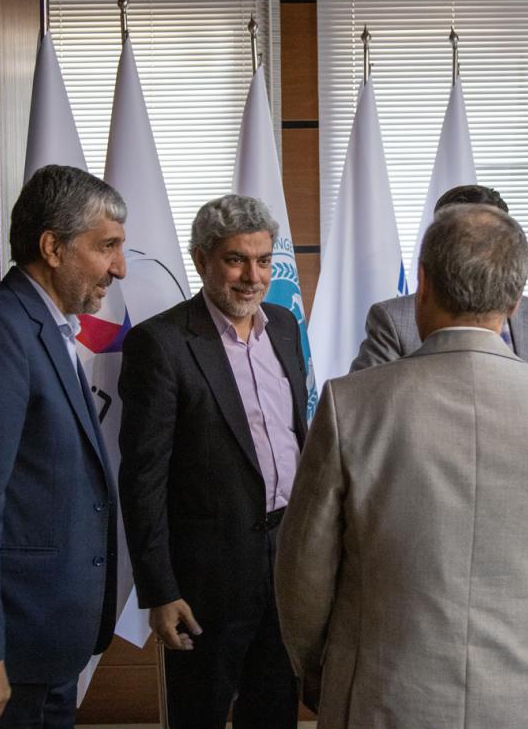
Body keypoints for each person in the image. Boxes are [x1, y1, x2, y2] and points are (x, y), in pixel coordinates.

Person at [276, 204, 528, 728]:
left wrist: (325, 664)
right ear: (514, 300)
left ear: (423, 285)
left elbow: (304, 575)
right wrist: (522, 636)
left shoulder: (349, 406)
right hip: (522, 700)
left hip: (381, 697)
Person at [0, 164, 126, 728]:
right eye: (107, 246)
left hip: (46, 645)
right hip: (8, 652)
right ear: (52, 247)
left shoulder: (45, 326)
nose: (120, 267)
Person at [119, 195, 307, 729]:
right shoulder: (160, 343)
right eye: (235, 260)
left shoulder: (284, 326)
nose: (253, 277)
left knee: (275, 713)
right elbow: (143, 478)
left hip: (286, 563)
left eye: (264, 260)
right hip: (204, 580)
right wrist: (160, 590)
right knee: (198, 715)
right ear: (201, 259)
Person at [350, 184, 528, 379]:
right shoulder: (393, 320)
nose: (473, 252)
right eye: (457, 239)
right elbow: (362, 402)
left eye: (489, 237)